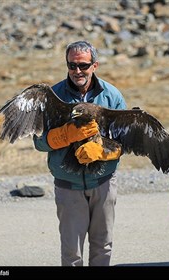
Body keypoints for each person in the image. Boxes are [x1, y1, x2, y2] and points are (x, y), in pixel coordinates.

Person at [33, 41, 127, 266]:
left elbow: (124, 141)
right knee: (72, 253)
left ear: (95, 65)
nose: (77, 71)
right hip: (68, 185)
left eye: (83, 66)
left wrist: (103, 151)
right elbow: (38, 142)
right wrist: (64, 136)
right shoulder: (52, 96)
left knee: (102, 247)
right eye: (72, 65)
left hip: (103, 183)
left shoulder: (111, 96)